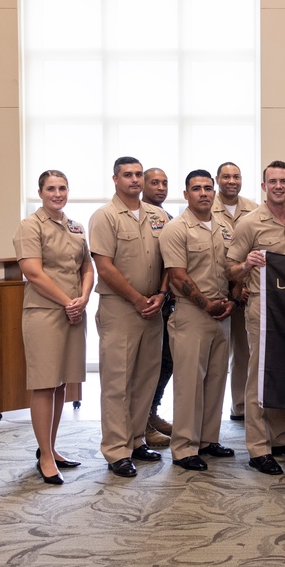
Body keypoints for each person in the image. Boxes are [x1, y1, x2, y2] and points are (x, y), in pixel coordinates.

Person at [227, 160, 285, 475]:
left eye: (284, 181)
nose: (278, 186)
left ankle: (278, 436)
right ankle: (258, 448)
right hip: (263, 305)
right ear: (264, 186)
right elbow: (229, 268)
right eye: (272, 181)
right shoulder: (250, 223)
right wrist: (246, 264)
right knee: (260, 377)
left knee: (284, 376)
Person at [89, 156, 170, 478]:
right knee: (117, 382)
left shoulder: (159, 216)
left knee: (145, 379)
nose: (134, 180)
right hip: (121, 309)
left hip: (153, 308)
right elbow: (104, 267)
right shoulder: (105, 217)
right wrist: (138, 299)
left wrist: (161, 295)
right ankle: (116, 450)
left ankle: (136, 440)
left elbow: (170, 261)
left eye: (138, 174)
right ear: (115, 179)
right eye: (128, 175)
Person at [13, 169, 93, 485]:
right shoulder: (30, 226)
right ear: (40, 192)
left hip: (74, 312)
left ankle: (52, 447)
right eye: (50, 189)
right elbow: (33, 272)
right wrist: (67, 301)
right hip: (45, 313)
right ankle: (45, 456)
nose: (57, 194)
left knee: (62, 383)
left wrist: (83, 298)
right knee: (45, 382)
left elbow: (87, 266)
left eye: (62, 188)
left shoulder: (75, 226)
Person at [159, 169, 237, 472]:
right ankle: (184, 447)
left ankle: (207, 440)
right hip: (192, 313)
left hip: (222, 312)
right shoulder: (176, 229)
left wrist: (231, 299)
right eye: (196, 188)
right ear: (186, 194)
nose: (203, 193)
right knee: (190, 383)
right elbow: (177, 275)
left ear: (214, 192)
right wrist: (207, 304)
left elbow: (231, 269)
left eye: (208, 188)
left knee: (217, 380)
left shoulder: (225, 228)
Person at [211, 162, 257, 424]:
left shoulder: (253, 209)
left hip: (246, 291)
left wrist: (244, 287)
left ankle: (240, 406)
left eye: (236, 176)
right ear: (218, 179)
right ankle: (208, 419)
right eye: (226, 176)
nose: (231, 180)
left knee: (243, 352)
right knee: (215, 355)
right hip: (216, 289)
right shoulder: (207, 208)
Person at [140, 167, 173, 449]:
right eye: (154, 182)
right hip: (139, 305)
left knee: (165, 363)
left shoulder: (169, 219)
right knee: (145, 367)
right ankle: (141, 425)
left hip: (166, 305)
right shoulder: (136, 216)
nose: (160, 187)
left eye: (164, 183)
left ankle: (152, 412)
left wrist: (164, 293)